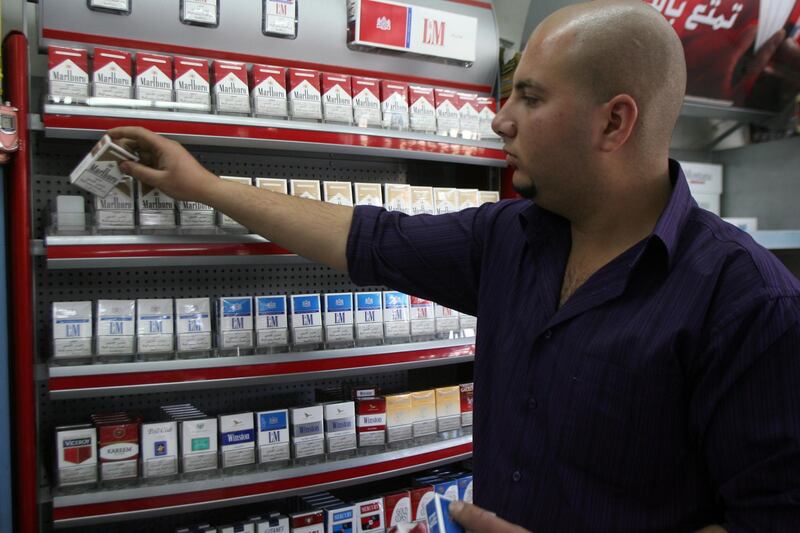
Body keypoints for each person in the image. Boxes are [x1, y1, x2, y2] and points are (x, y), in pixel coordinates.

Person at [111, 0, 800, 530]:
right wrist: (205, 186)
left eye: (529, 97)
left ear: (614, 124)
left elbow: (773, 516)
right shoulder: (506, 239)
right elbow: (364, 236)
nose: (502, 119)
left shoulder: (749, 301)